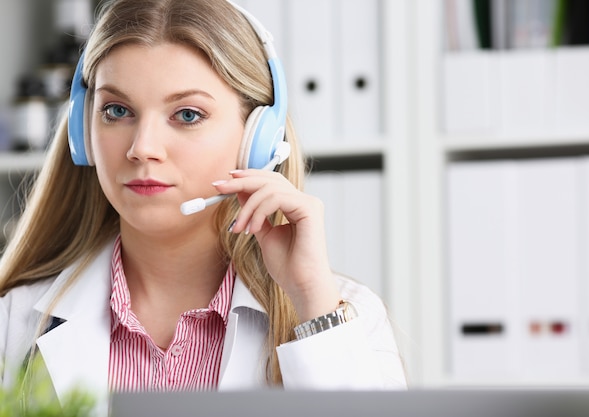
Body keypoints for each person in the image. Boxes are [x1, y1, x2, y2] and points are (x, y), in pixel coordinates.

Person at [0, 0, 407, 414]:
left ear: (257, 138)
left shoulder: (339, 317)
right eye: (117, 110)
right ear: (82, 132)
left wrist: (311, 302)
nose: (143, 148)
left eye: (187, 114)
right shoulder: (12, 323)